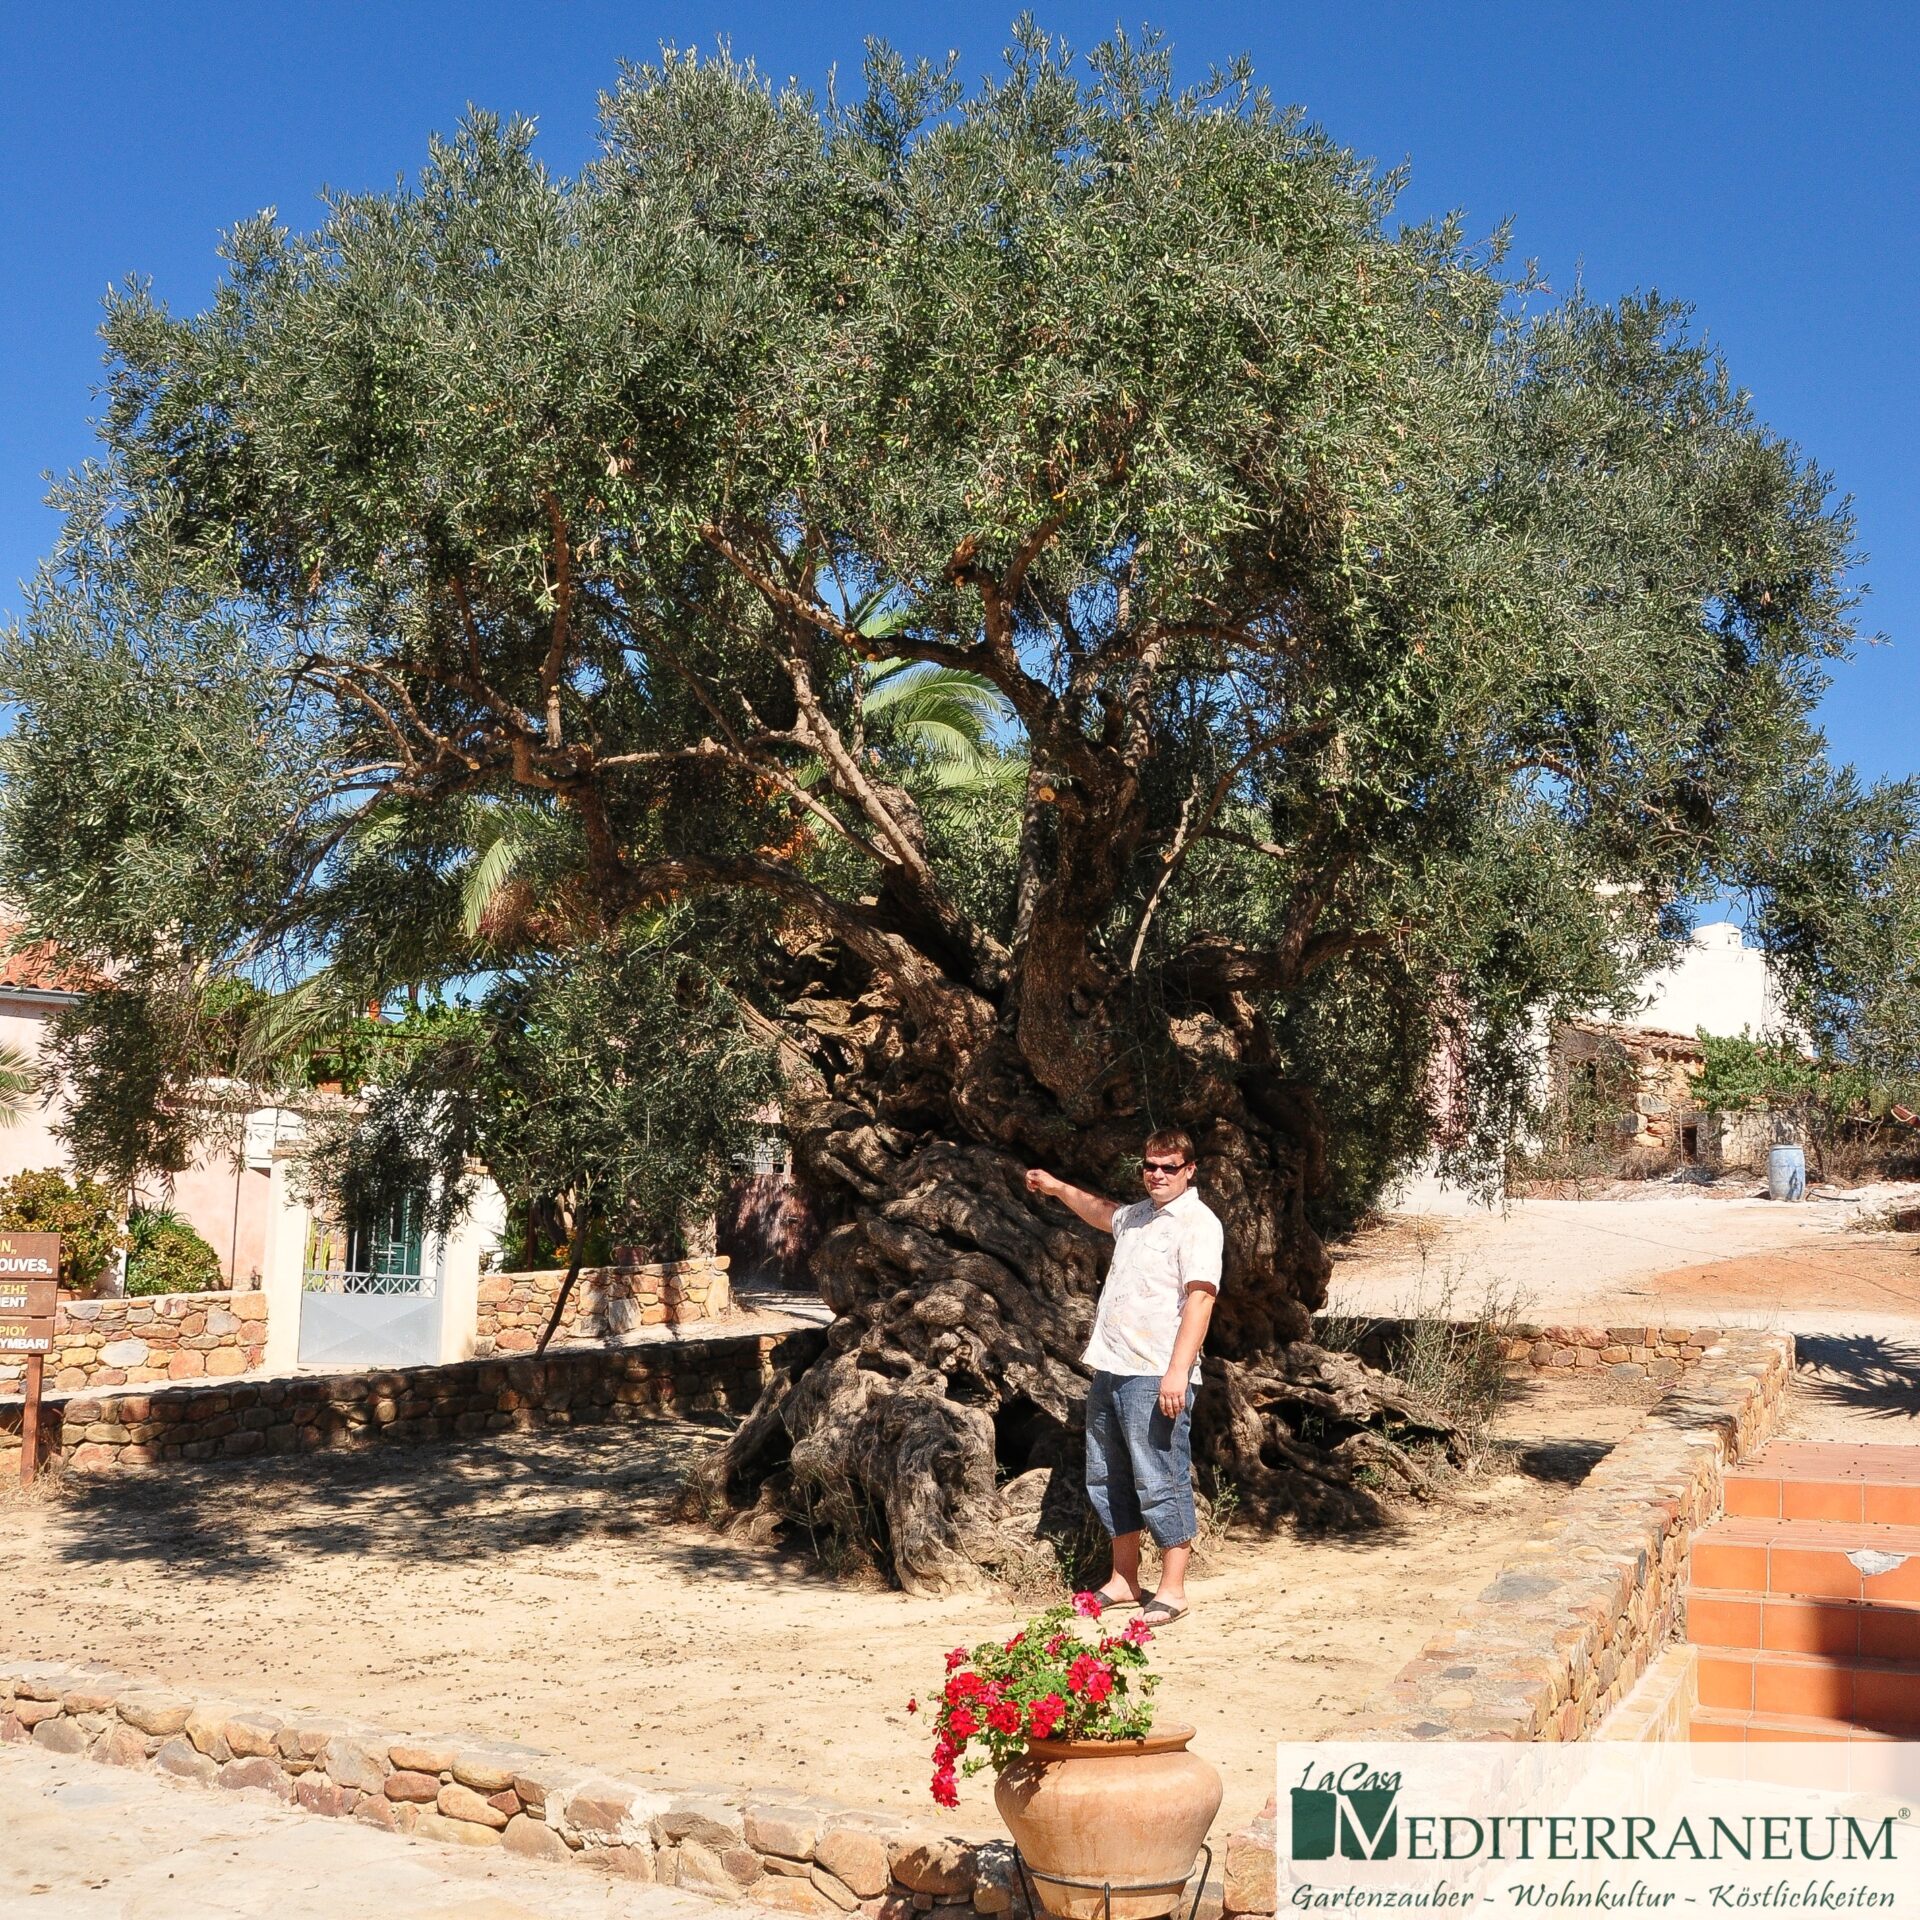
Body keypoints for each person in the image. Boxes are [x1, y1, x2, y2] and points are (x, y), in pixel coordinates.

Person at [1024, 1128, 1222, 1626]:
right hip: (1111, 1368)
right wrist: (1055, 1187)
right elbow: (1099, 1211)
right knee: (1107, 1476)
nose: (1157, 1175)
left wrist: (1177, 1373)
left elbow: (1201, 1298)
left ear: (1189, 1169)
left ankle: (1173, 1590)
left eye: (1168, 1167)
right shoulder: (1136, 1217)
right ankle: (1124, 1580)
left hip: (1156, 1374)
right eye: (1149, 1166)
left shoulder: (1198, 1223)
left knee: (1160, 1476)